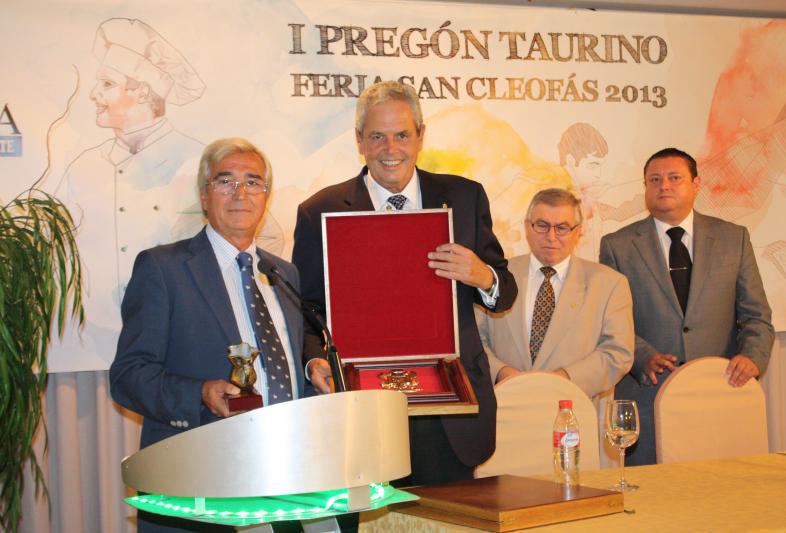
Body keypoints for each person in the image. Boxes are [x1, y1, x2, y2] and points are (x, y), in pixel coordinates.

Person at [292, 80, 517, 485]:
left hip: (451, 408)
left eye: (401, 135)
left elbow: (504, 293)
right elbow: (306, 310)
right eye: (377, 136)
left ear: (420, 136)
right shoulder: (320, 211)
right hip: (364, 410)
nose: (390, 148)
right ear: (359, 140)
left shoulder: (464, 197)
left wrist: (482, 275)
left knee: (452, 517)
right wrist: (314, 361)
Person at [110, 138, 308, 532]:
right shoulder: (163, 268)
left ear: (266, 196)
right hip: (199, 482)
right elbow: (128, 376)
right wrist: (199, 393)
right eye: (225, 181)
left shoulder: (283, 274)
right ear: (204, 195)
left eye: (253, 182)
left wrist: (312, 368)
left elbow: (285, 364)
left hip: (287, 477)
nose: (240, 193)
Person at [599, 147, 775, 466]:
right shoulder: (617, 245)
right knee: (654, 492)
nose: (664, 186)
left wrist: (753, 356)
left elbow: (757, 315)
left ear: (696, 184)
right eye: (654, 179)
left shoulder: (733, 238)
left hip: (720, 390)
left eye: (674, 178)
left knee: (725, 486)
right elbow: (611, 321)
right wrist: (642, 356)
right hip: (649, 395)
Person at [55, 18, 206, 370]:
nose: (94, 94)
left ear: (142, 92)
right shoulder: (84, 166)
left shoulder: (200, 161)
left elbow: (259, 243)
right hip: (98, 347)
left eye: (107, 83)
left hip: (184, 345)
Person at [476, 188, 634, 399]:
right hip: (505, 404)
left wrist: (563, 380)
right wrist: (502, 373)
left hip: (574, 407)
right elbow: (475, 341)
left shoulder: (610, 284)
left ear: (578, 231)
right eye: (542, 225)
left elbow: (618, 353)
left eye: (562, 228)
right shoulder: (494, 278)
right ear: (527, 227)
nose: (551, 237)